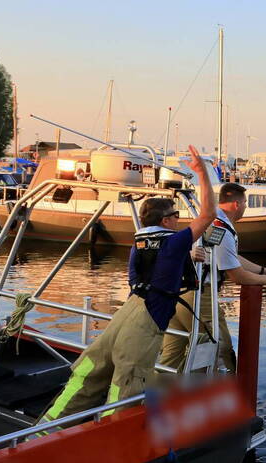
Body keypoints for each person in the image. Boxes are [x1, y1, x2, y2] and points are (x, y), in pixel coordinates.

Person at [37, 145, 215, 425]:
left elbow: (141, 277)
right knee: (126, 385)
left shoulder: (139, 242)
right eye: (176, 215)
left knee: (88, 374)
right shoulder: (173, 242)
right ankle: (110, 438)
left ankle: (45, 429)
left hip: (125, 313)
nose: (179, 219)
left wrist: (186, 255)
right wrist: (203, 173)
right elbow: (207, 215)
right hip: (144, 323)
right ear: (166, 221)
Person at [159, 182, 266, 372]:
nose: (245, 208)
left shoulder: (214, 223)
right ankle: (216, 394)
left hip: (178, 293)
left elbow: (230, 257)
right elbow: (237, 275)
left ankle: (155, 396)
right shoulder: (222, 229)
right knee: (218, 348)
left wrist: (263, 271)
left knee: (172, 354)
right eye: (244, 203)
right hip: (200, 297)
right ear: (236, 205)